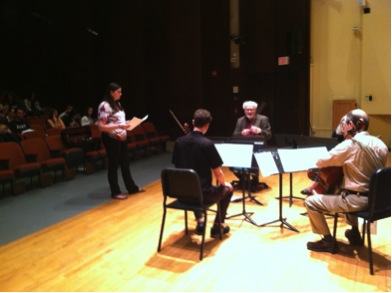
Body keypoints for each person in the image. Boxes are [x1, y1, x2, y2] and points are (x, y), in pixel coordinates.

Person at [304, 109, 388, 253]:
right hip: (376, 201)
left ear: (359, 124)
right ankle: (354, 233)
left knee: (310, 202)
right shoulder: (381, 144)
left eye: (346, 123)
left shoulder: (350, 144)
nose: (343, 128)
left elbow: (321, 161)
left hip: (355, 201)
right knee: (347, 189)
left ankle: (327, 241)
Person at [172, 109, 234, 237]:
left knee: (193, 185)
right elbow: (218, 173)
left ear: (193, 122)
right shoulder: (207, 144)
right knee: (228, 189)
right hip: (202, 196)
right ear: (207, 126)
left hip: (181, 194)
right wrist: (224, 184)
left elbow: (177, 166)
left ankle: (200, 221)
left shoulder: (179, 142)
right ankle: (217, 226)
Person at [97, 82, 145, 200]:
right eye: (118, 92)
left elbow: (117, 121)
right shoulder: (104, 105)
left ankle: (132, 187)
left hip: (121, 138)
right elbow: (101, 126)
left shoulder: (117, 104)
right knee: (114, 165)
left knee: (125, 164)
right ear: (111, 93)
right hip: (111, 138)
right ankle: (115, 191)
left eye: (121, 91)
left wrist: (127, 123)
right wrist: (119, 126)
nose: (121, 94)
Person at [231, 100, 272, 191]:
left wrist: (260, 131)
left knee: (253, 160)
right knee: (231, 161)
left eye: (251, 110)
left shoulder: (263, 119)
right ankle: (243, 179)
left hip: (258, 148)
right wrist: (241, 133)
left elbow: (269, 135)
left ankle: (254, 180)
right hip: (242, 147)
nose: (249, 112)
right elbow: (234, 135)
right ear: (244, 110)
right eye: (247, 110)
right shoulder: (240, 120)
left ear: (255, 110)